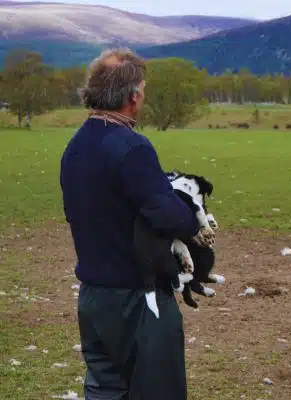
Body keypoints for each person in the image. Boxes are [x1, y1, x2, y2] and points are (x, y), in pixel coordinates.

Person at [59, 48, 200, 400]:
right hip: (137, 299)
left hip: (93, 297)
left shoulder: (75, 146)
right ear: (133, 97)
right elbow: (172, 218)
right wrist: (188, 207)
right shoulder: (130, 147)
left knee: (106, 390)